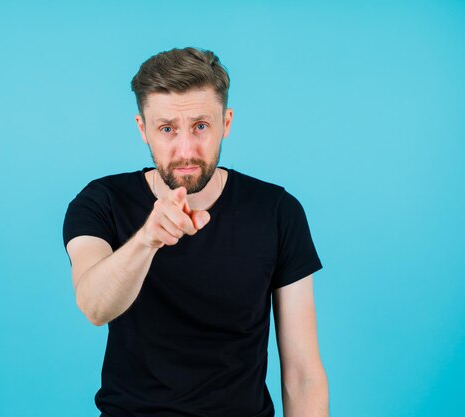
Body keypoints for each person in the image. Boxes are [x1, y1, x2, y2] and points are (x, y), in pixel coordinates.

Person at [63, 47, 328, 417]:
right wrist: (148, 238)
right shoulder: (101, 202)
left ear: (227, 123)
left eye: (201, 126)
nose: (186, 150)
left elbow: (302, 375)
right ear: (143, 129)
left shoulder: (278, 211)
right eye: (167, 129)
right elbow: (94, 306)